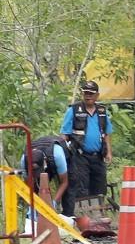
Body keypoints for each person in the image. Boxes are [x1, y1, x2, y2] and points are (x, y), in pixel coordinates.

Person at [60, 80, 113, 217]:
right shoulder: (74, 110)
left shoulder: (102, 112)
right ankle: (84, 219)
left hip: (98, 156)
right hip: (79, 156)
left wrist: (109, 152)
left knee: (100, 187)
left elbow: (107, 133)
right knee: (82, 188)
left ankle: (99, 218)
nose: (88, 96)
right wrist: (62, 153)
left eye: (91, 93)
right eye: (86, 93)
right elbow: (64, 134)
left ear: (97, 95)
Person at [21, 136, 72, 216]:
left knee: (69, 190)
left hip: (61, 157)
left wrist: (54, 203)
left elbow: (64, 182)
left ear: (44, 162)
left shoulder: (57, 155)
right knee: (36, 186)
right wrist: (33, 204)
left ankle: (68, 215)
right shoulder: (24, 160)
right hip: (47, 159)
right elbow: (28, 186)